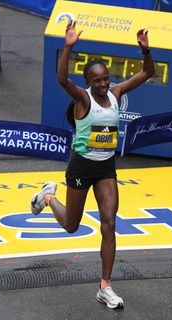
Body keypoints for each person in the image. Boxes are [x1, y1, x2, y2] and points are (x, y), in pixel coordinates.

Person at [30, 21, 154, 308]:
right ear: (89, 82)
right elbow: (62, 80)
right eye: (97, 80)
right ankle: (47, 197)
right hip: (81, 168)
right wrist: (69, 47)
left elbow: (148, 72)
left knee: (109, 225)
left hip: (105, 168)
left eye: (105, 79)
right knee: (72, 225)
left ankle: (105, 286)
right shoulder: (83, 98)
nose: (103, 84)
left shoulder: (116, 93)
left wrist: (146, 50)